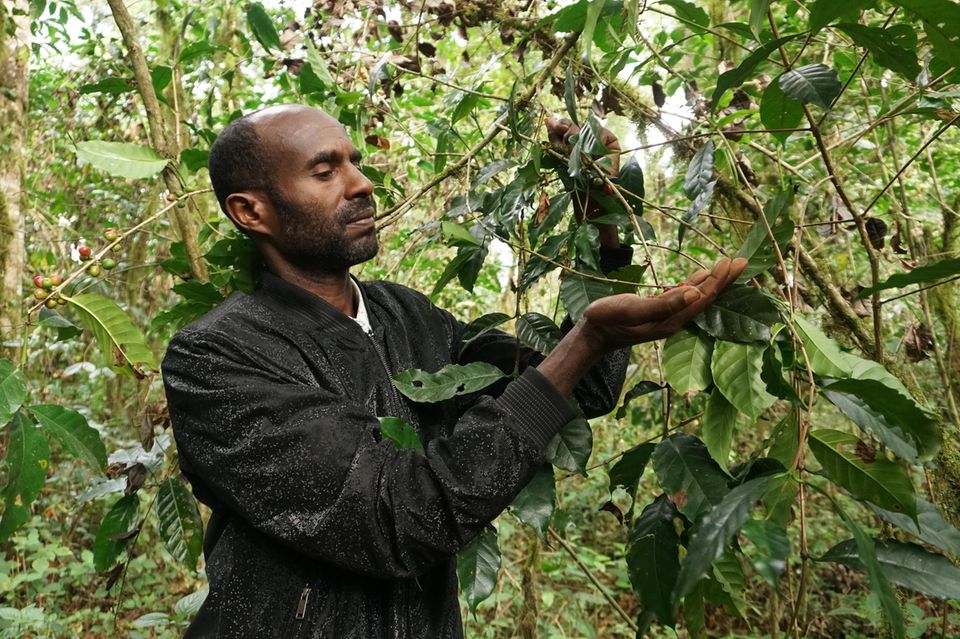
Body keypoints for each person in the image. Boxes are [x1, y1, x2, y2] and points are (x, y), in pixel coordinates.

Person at [160, 104, 746, 638]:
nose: (362, 185)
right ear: (250, 210)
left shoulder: (409, 316)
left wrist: (606, 225)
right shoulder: (215, 357)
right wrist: (587, 335)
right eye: (324, 170)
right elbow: (397, 517)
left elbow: (577, 385)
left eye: (355, 163)